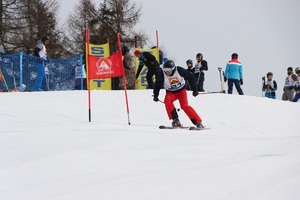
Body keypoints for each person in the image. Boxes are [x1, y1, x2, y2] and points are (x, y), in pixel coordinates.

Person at [153, 60, 204, 129]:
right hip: (171, 92)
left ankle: (198, 122)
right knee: (167, 101)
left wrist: (195, 90)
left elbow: (191, 77)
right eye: (165, 70)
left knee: (184, 106)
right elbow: (157, 85)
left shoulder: (179, 70)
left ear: (173, 69)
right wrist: (155, 95)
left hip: (181, 91)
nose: (167, 72)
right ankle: (175, 120)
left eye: (169, 70)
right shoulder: (162, 74)